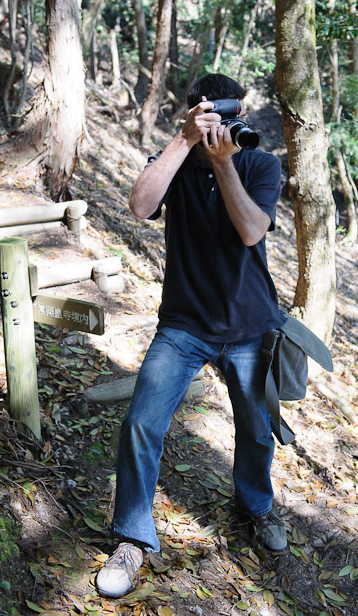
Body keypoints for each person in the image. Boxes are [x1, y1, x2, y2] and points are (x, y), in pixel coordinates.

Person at [96, 73, 288, 599]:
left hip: (251, 326)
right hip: (184, 324)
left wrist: (225, 164)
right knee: (141, 422)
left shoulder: (258, 162)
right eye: (216, 115)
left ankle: (256, 508)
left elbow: (252, 230)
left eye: (235, 115)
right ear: (194, 112)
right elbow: (138, 206)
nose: (230, 126)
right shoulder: (177, 161)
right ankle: (134, 538)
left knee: (255, 432)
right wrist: (182, 141)